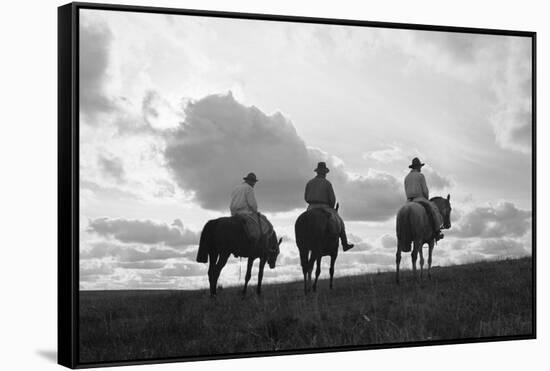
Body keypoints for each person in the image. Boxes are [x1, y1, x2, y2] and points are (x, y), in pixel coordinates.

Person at [304, 162, 354, 251]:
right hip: (325, 207)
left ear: (317, 172)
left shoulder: (309, 183)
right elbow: (332, 199)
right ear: (324, 173)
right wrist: (332, 207)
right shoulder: (327, 183)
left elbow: (306, 198)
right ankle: (345, 244)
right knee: (340, 223)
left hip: (311, 207)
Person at [404, 157, 444, 241]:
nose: (420, 168)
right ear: (418, 166)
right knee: (434, 210)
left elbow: (406, 190)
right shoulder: (420, 176)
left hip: (408, 201)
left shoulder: (406, 177)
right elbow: (425, 191)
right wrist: (427, 199)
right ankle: (437, 232)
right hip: (419, 199)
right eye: (420, 167)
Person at [230, 172, 271, 249]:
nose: (254, 184)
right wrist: (256, 212)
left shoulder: (236, 188)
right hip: (245, 213)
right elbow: (252, 204)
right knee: (265, 226)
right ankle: (257, 245)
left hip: (234, 213)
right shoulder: (249, 188)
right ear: (250, 181)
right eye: (253, 182)